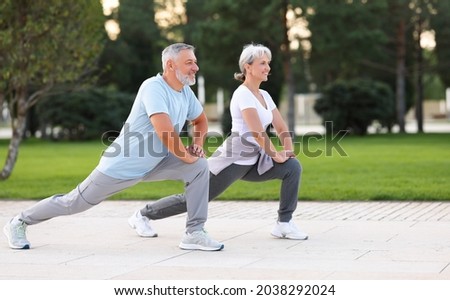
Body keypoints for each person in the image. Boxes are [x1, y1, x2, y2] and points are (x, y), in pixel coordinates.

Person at [3, 43, 224, 251]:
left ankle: (194, 232)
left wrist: (196, 146)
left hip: (157, 161)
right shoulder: (153, 88)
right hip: (121, 166)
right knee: (73, 203)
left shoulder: (185, 92)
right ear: (170, 65)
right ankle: (19, 221)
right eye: (189, 62)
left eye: (195, 62)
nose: (196, 67)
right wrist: (186, 157)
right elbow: (165, 132)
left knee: (199, 167)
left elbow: (201, 120)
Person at [128, 43, 308, 240]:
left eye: (268, 63)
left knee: (292, 167)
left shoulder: (264, 95)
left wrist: (287, 151)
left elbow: (281, 128)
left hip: (256, 160)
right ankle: (143, 215)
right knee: (196, 199)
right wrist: (276, 154)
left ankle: (284, 223)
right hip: (234, 159)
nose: (268, 68)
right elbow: (257, 132)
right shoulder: (242, 94)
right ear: (247, 67)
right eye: (262, 63)